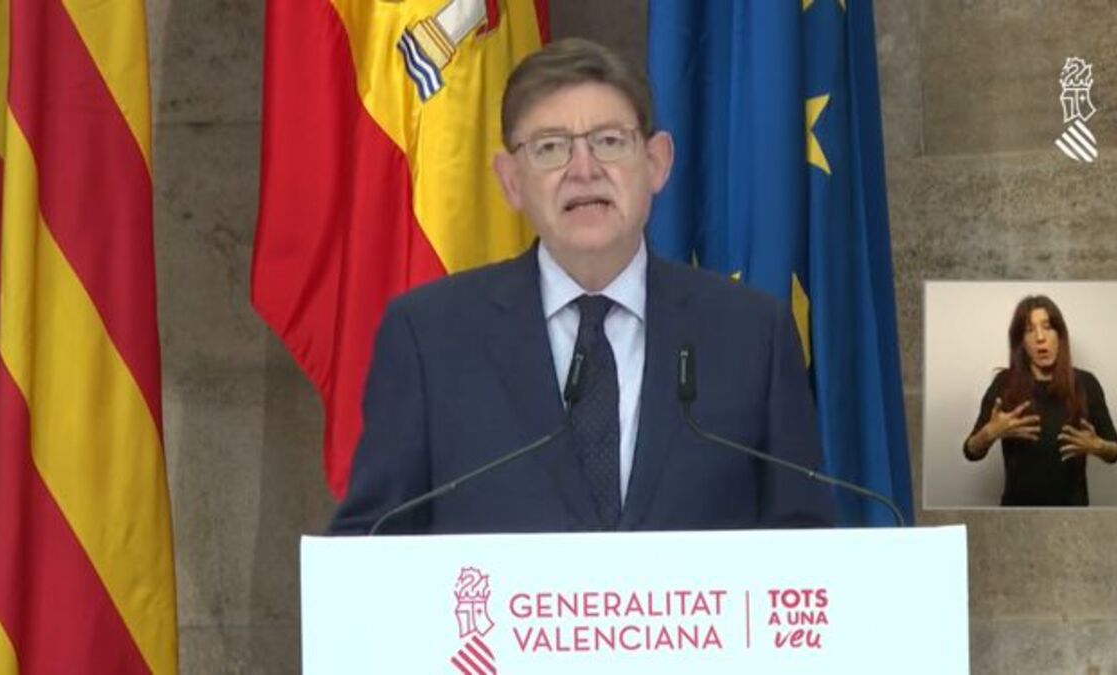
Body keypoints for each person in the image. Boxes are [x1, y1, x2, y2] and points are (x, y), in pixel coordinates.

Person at [328, 38, 833, 534]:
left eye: (609, 141)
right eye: (550, 148)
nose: (584, 170)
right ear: (511, 181)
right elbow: (372, 541)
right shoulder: (430, 336)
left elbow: (805, 540)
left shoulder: (751, 334)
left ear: (656, 163)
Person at [963, 295, 1117, 506]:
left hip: (1073, 511)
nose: (1040, 337)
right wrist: (988, 434)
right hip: (1017, 511)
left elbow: (1116, 451)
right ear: (1021, 342)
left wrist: (1099, 446)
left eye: (1047, 327)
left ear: (1060, 335)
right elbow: (970, 451)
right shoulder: (1004, 383)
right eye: (1029, 330)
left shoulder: (1086, 383)